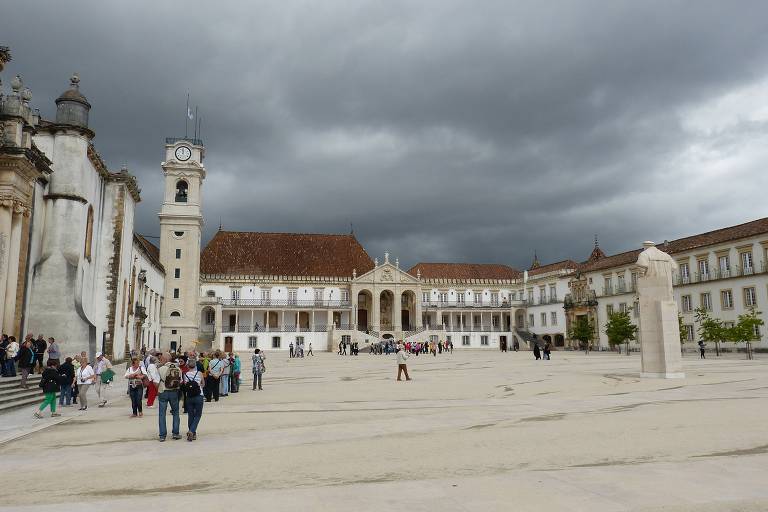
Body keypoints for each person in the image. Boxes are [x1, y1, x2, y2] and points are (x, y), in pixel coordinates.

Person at [156, 352, 182, 441]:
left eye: (162, 359)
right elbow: (180, 381)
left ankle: (162, 435)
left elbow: (156, 380)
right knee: (175, 412)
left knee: (162, 414)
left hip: (163, 391)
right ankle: (175, 433)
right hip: (174, 392)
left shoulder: (160, 369)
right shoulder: (178, 368)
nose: (161, 360)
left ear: (165, 359)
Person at [182, 362, 204, 441]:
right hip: (199, 395)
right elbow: (203, 384)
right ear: (195, 366)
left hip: (189, 396)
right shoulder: (199, 373)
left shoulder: (185, 374)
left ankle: (193, 433)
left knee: (190, 415)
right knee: (198, 415)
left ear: (188, 366)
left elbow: (185, 384)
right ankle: (191, 431)